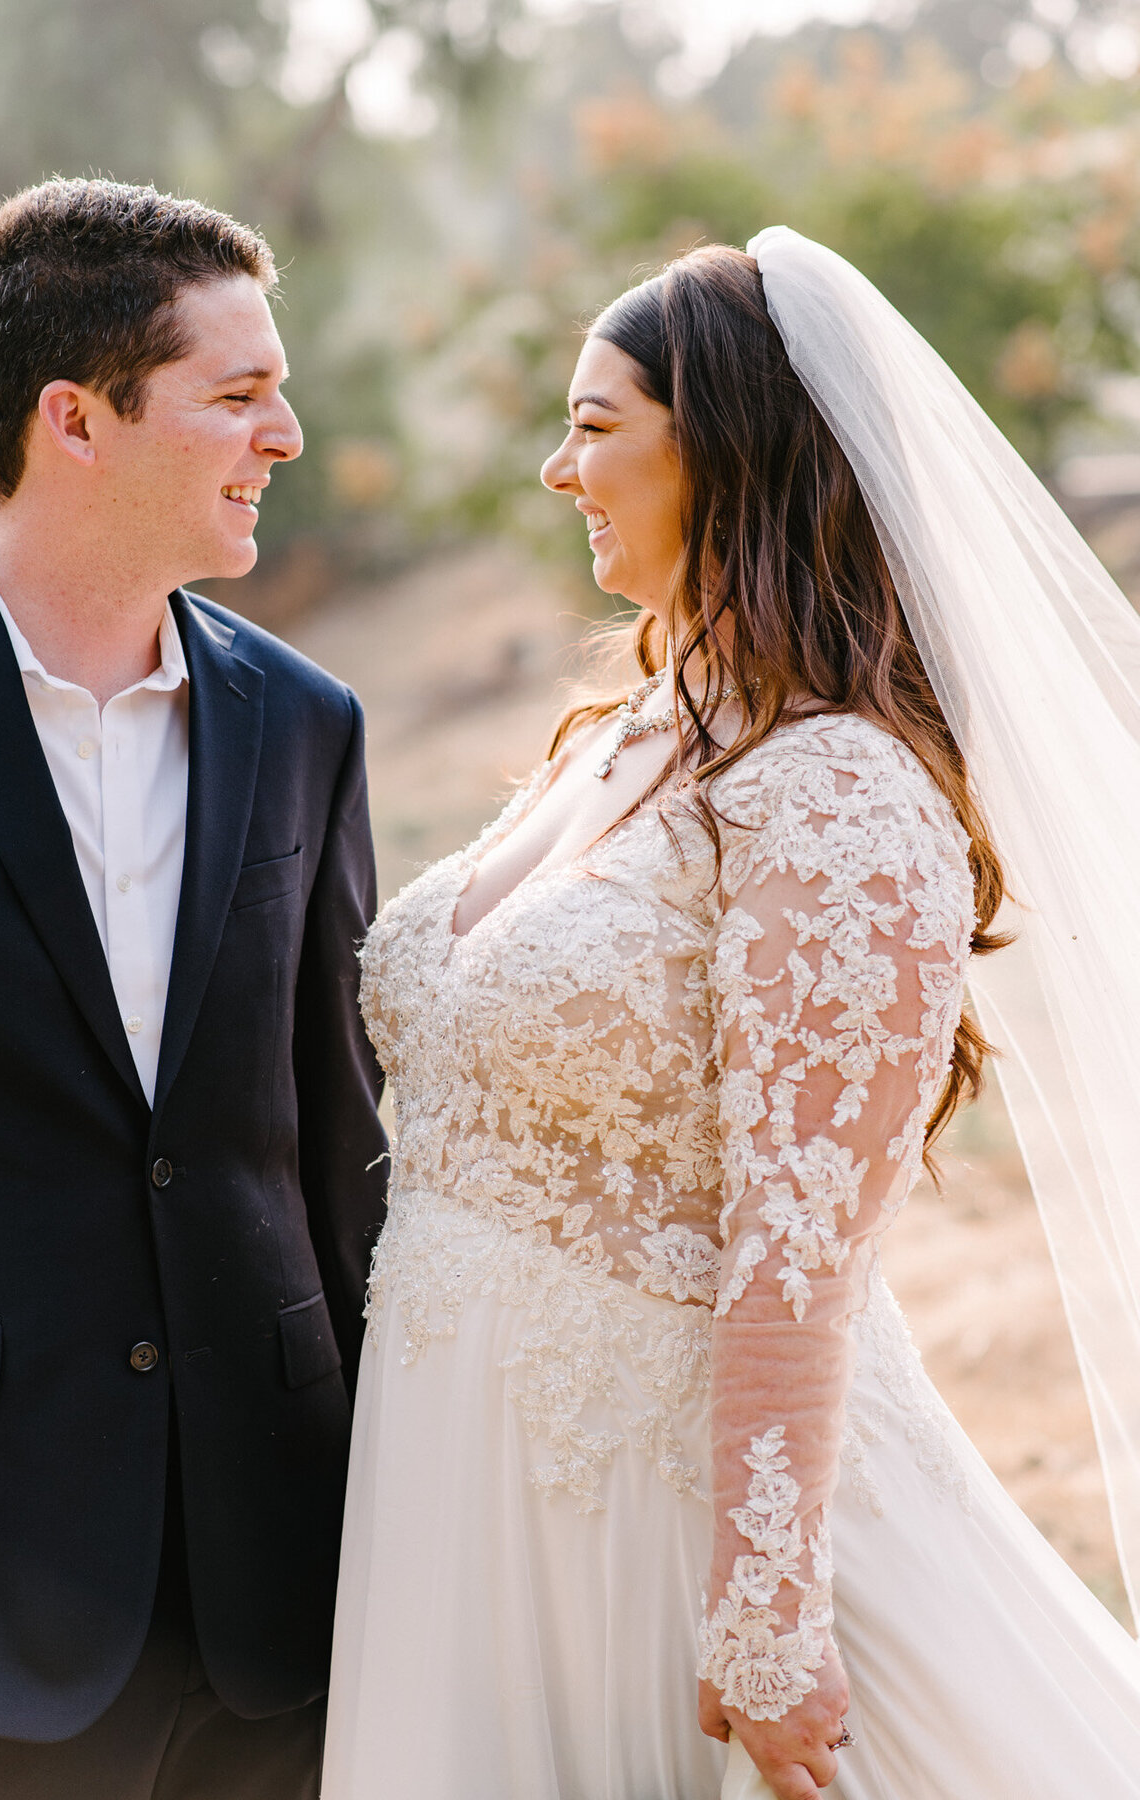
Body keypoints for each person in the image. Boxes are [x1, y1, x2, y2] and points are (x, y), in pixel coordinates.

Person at [322, 234, 1140, 1800]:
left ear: (730, 443)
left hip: (664, 1507)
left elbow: (799, 1244)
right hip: (466, 1479)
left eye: (596, 422)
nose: (560, 468)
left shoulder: (836, 792)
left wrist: (765, 1605)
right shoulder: (633, 734)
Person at [0, 178, 386, 1799]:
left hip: (277, 1583)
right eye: (238, 394)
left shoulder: (306, 722)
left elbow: (340, 1146)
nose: (283, 434)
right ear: (77, 418)